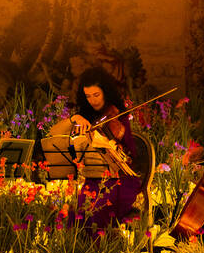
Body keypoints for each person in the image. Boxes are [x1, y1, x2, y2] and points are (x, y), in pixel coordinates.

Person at [51, 67, 142, 229]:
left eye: (96, 95)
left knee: (96, 209)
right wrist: (75, 117)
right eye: (88, 96)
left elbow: (130, 154)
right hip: (93, 179)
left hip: (119, 180)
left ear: (105, 92)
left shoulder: (117, 115)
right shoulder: (84, 117)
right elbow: (54, 132)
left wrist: (111, 145)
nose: (92, 100)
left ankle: (102, 252)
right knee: (76, 212)